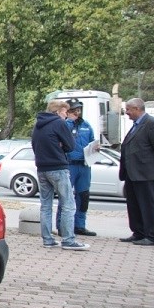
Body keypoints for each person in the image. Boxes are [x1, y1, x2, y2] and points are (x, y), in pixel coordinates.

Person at [31, 99, 88, 250]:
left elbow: (34, 145)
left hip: (42, 168)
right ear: (57, 112)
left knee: (46, 205)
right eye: (64, 112)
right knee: (68, 204)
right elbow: (70, 146)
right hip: (58, 167)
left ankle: (47, 239)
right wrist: (60, 145)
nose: (66, 115)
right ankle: (68, 240)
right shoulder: (59, 123)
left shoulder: (38, 124)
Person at [118, 97, 154, 246]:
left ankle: (152, 236)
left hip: (145, 173)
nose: (126, 113)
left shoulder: (151, 124)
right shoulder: (136, 125)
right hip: (132, 174)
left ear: (137, 109)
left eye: (128, 109)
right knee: (134, 204)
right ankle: (138, 233)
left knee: (148, 205)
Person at [57, 98, 97, 237]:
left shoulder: (86, 125)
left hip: (84, 165)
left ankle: (80, 225)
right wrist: (69, 121)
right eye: (74, 110)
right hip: (69, 164)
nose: (77, 112)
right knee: (65, 196)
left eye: (78, 109)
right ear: (67, 112)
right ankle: (62, 226)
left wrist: (96, 148)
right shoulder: (64, 124)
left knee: (83, 196)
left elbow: (92, 141)